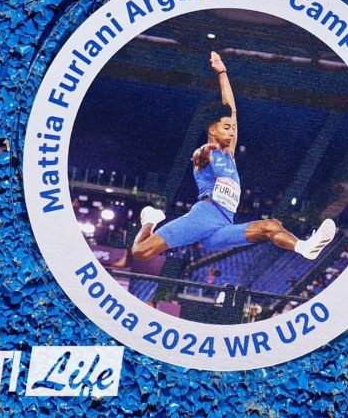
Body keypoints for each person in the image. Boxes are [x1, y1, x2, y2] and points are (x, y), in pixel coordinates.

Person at [128, 52, 337, 262]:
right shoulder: (206, 154)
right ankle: (151, 219)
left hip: (224, 224)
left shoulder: (229, 155)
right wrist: (204, 151)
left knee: (271, 225)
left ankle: (305, 247)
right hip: (202, 217)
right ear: (212, 129)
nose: (231, 132)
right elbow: (199, 157)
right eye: (226, 128)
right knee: (140, 253)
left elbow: (232, 112)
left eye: (232, 128)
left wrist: (222, 73)